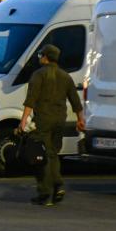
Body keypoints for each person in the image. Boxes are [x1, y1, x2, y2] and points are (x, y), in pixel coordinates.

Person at [19, 44, 84, 207]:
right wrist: (80, 119)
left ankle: (45, 193)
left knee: (41, 157)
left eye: (41, 55)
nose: (39, 57)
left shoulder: (38, 75)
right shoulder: (65, 76)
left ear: (46, 57)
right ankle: (58, 187)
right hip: (60, 120)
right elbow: (76, 101)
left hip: (43, 120)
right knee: (53, 154)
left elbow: (30, 100)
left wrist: (23, 120)